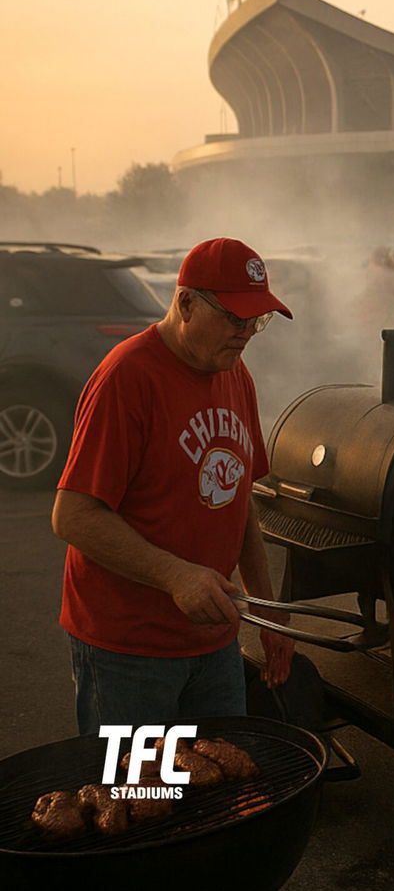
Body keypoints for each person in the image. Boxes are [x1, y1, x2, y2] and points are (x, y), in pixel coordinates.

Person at [51, 238, 296, 733]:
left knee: (219, 794)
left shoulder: (235, 375)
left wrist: (269, 615)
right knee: (141, 798)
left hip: (213, 640)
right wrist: (177, 576)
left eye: (257, 320)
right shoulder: (127, 377)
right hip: (129, 650)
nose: (246, 332)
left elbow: (239, 497)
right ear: (186, 303)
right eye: (234, 317)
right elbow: (72, 514)